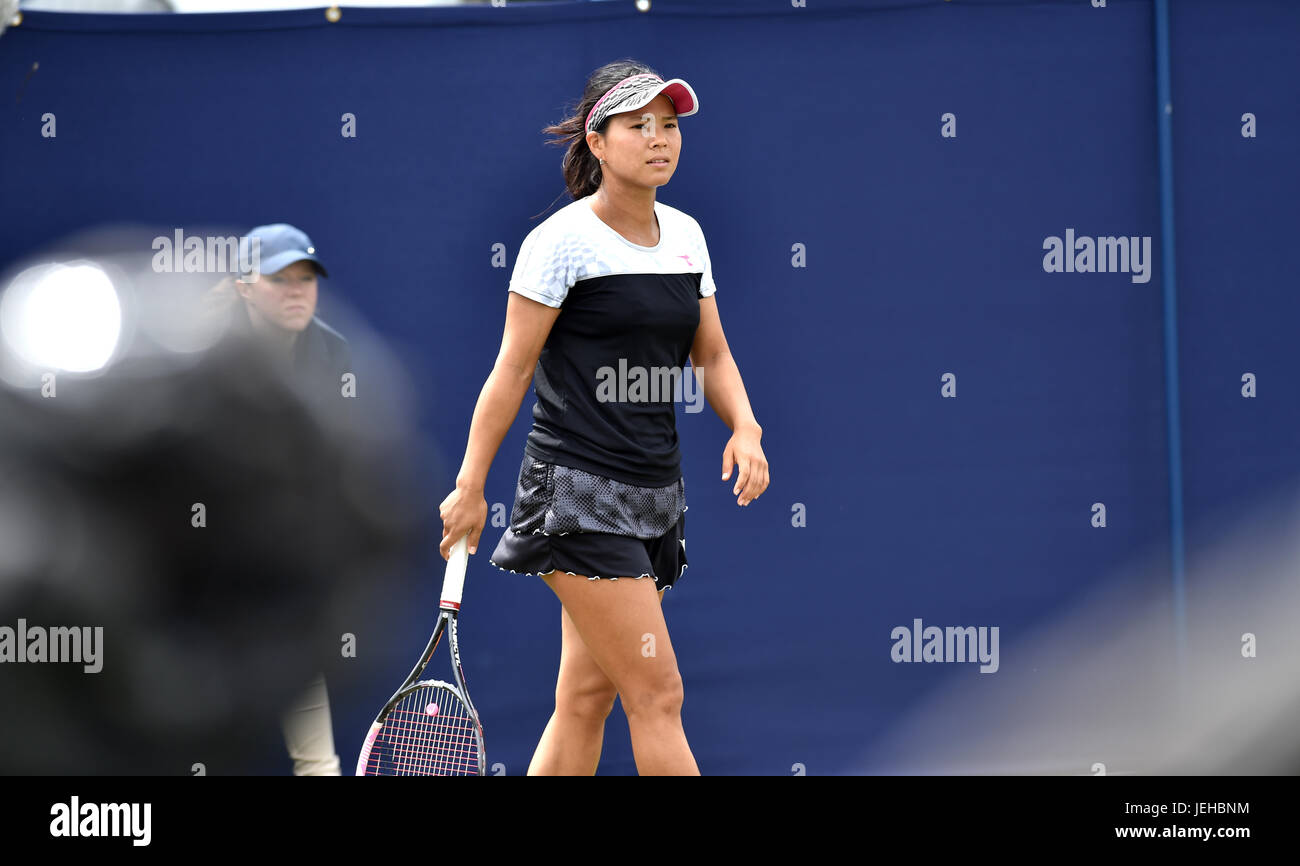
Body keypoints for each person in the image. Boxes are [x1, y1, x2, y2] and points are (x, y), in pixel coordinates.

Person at [437, 60, 769, 776]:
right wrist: (470, 485)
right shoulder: (559, 243)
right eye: (638, 125)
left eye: (670, 125)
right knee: (658, 693)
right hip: (576, 495)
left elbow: (712, 354)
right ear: (597, 140)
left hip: (655, 494)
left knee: (587, 697)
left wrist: (745, 425)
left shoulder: (686, 236)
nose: (660, 139)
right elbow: (511, 371)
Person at [218, 222, 351, 776]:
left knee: (316, 757)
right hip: (196, 582)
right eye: (279, 279)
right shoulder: (203, 359)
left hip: (279, 578)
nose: (297, 290)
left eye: (307, 277)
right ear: (244, 287)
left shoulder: (332, 354)